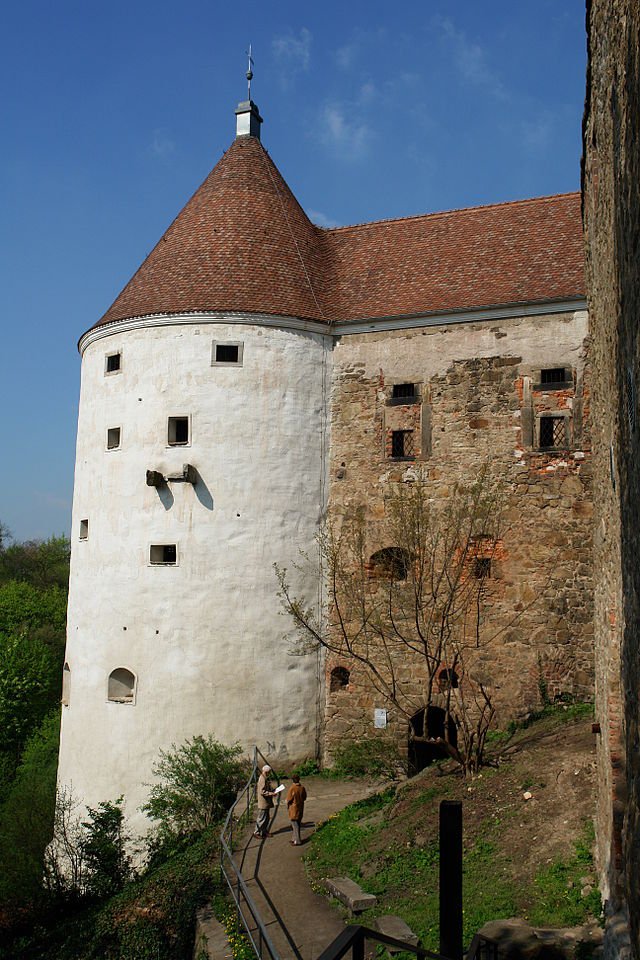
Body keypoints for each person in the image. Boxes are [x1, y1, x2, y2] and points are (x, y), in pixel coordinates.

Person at [254, 764, 275, 838]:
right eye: (269, 772)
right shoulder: (262, 779)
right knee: (261, 818)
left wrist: (272, 790)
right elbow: (262, 791)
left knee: (266, 818)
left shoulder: (264, 777)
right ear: (267, 772)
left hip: (266, 802)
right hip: (263, 802)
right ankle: (256, 832)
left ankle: (264, 831)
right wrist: (271, 793)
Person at [285, 774, 307, 846]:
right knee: (298, 823)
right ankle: (294, 839)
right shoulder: (302, 787)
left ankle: (297, 840)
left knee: (295, 825)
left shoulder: (292, 788)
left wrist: (288, 804)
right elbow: (304, 797)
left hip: (294, 808)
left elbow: (289, 799)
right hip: (300, 807)